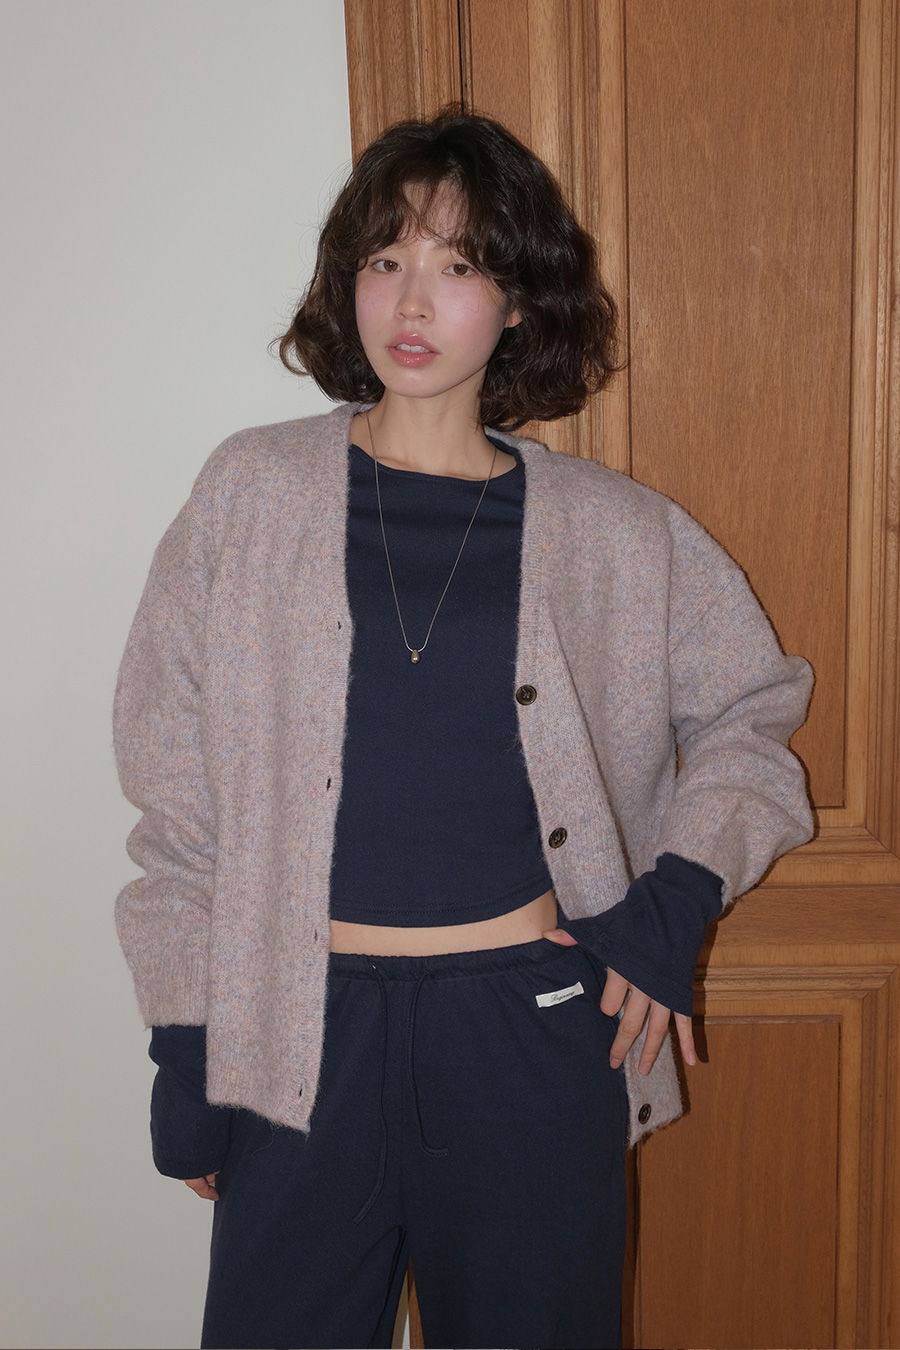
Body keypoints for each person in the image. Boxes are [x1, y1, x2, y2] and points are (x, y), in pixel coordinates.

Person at [112, 102, 815, 1350]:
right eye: (385, 259)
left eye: (458, 264)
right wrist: (185, 1040)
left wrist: (672, 905)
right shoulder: (251, 491)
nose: (412, 300)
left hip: (529, 1036)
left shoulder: (616, 532)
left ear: (520, 301)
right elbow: (173, 790)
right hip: (297, 1034)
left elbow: (753, 714)